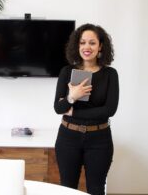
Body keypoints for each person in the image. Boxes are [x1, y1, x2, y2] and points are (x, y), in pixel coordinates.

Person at [54, 23, 119, 195]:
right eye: (82, 42)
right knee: (67, 189)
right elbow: (58, 108)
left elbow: (109, 110)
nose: (86, 47)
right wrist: (72, 96)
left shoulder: (110, 74)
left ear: (100, 46)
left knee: (96, 189)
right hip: (68, 138)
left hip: (99, 140)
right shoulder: (66, 72)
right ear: (77, 45)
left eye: (92, 42)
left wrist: (74, 112)